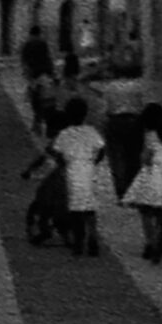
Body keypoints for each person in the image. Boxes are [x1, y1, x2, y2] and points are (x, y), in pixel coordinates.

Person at [123, 103, 162, 263]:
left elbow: (144, 159)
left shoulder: (147, 135)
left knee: (146, 214)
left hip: (147, 179)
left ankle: (150, 242)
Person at [46, 93, 105, 257]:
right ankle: (93, 238)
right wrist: (94, 161)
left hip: (72, 173)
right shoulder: (91, 131)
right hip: (88, 171)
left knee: (75, 209)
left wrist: (63, 163)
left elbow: (56, 152)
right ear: (85, 113)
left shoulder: (65, 134)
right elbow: (101, 149)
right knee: (90, 207)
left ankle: (79, 241)